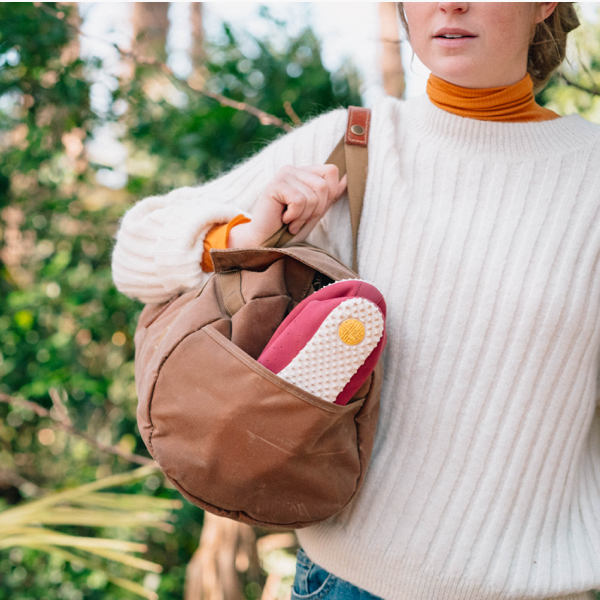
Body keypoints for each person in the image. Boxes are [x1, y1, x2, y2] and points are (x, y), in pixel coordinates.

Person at [112, 3, 600, 599]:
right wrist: (243, 237)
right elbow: (137, 251)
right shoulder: (355, 145)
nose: (449, 3)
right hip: (346, 583)